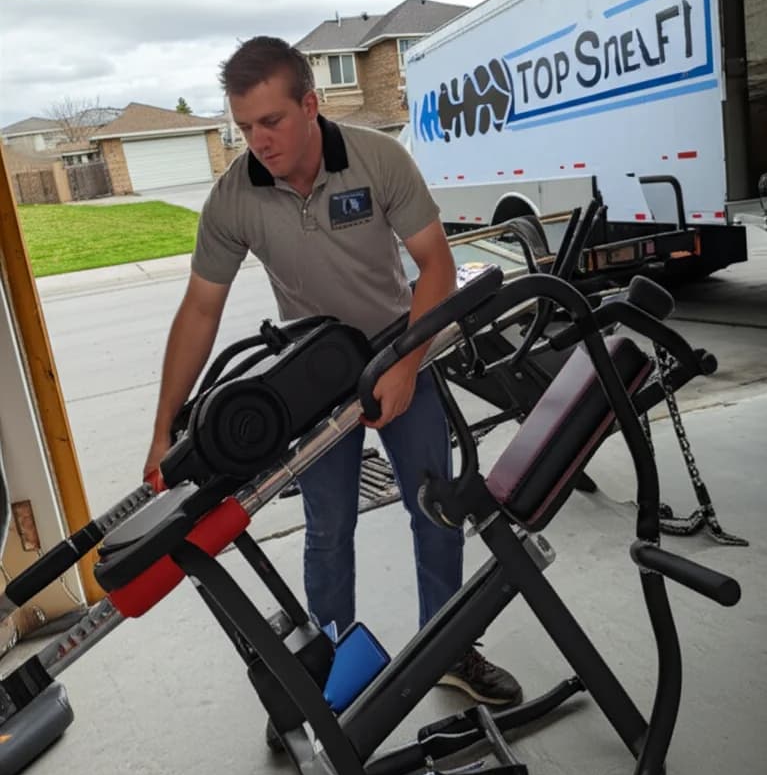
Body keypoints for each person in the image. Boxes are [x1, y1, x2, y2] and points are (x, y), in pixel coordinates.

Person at [143, 36, 522, 706]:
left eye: (271, 121)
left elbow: (435, 265)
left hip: (406, 348)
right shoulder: (233, 198)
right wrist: (161, 431)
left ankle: (449, 648)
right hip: (312, 378)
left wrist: (405, 363)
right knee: (327, 527)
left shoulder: (378, 159)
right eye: (244, 127)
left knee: (433, 507)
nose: (257, 140)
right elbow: (199, 311)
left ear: (310, 105)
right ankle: (334, 665)